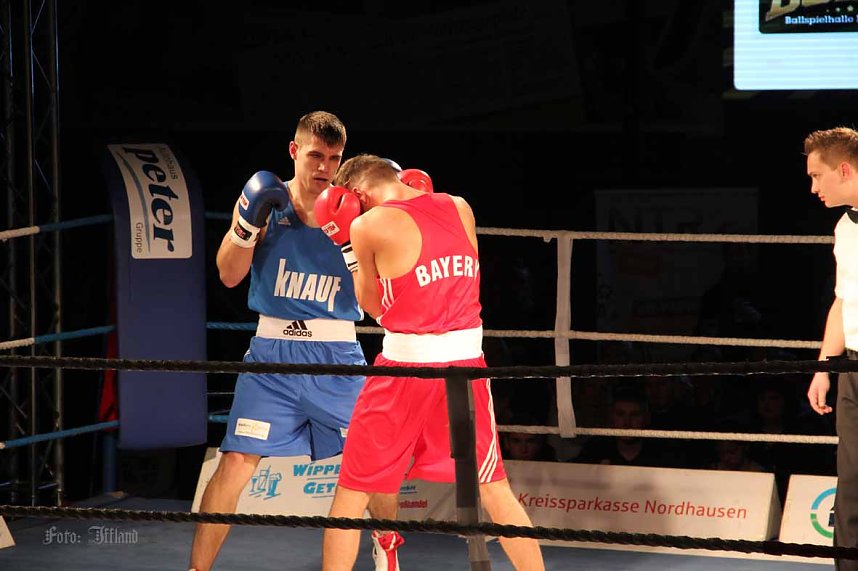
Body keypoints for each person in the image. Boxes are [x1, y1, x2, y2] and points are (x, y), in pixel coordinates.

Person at [315, 154, 545, 570]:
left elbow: (373, 309)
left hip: (404, 370)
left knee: (351, 494)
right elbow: (464, 282)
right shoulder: (459, 206)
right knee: (494, 488)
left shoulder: (367, 225)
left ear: (357, 195)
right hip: (467, 366)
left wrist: (348, 246)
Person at [189, 111, 381, 571]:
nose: (324, 167)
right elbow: (228, 275)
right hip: (271, 359)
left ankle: (387, 547)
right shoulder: (266, 202)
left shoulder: (356, 213)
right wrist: (246, 226)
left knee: (371, 463)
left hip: (338, 359)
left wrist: (353, 246)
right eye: (315, 156)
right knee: (235, 461)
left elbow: (376, 305)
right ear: (294, 151)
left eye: (333, 158)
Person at [805, 126, 858, 571]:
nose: (813, 187)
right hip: (853, 368)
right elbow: (843, 300)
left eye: (816, 176)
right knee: (852, 481)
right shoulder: (844, 227)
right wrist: (824, 367)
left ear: (844, 170)